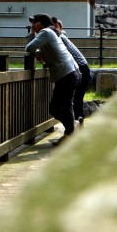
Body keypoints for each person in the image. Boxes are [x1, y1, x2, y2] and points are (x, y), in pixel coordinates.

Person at [25, 13, 80, 145]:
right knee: (65, 106)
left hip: (66, 73)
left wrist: (32, 35)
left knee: (57, 108)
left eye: (35, 22)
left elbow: (29, 48)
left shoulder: (45, 32)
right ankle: (71, 130)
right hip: (70, 71)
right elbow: (39, 51)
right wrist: (39, 53)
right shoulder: (49, 33)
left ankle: (71, 131)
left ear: (42, 23)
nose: (32, 25)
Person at [51, 17, 91, 126]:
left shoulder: (61, 38)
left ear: (61, 28)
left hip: (80, 68)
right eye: (51, 27)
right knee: (75, 99)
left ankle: (74, 126)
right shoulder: (62, 36)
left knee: (73, 100)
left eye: (55, 27)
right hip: (81, 68)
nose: (53, 29)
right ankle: (77, 123)